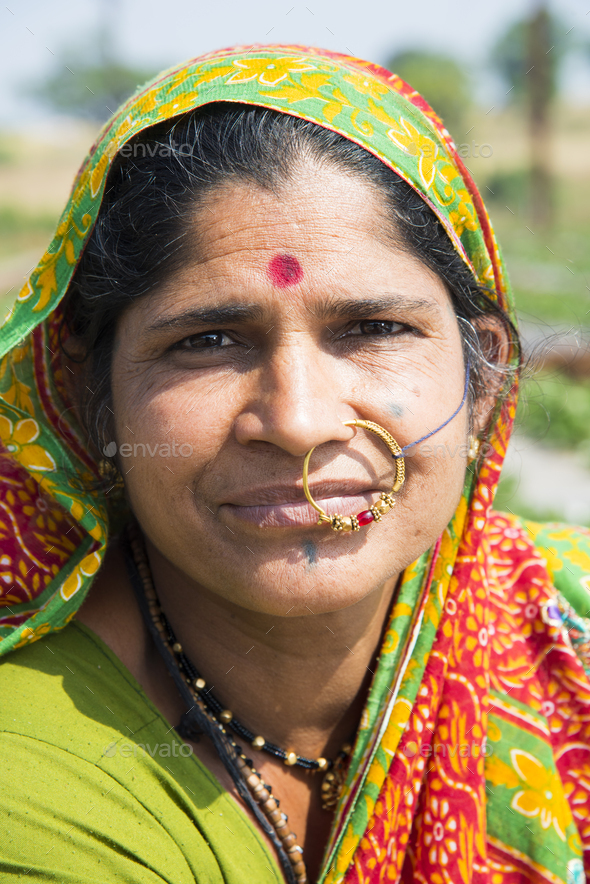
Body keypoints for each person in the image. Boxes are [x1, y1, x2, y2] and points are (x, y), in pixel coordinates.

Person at [1, 45, 590, 884]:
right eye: (207, 341)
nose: (300, 421)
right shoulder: (32, 776)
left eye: (374, 329)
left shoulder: (568, 635)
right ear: (90, 401)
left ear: (484, 382)